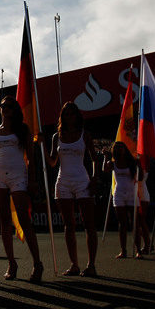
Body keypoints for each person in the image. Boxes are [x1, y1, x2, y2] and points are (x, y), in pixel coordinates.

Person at [0, 96, 43, 283]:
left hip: (19, 176)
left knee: (24, 219)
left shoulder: (23, 129)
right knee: (4, 221)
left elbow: (31, 158)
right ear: (0, 109)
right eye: (4, 106)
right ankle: (11, 263)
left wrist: (32, 180)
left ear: (15, 109)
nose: (6, 109)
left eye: (10, 106)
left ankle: (37, 263)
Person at [44, 101, 98, 277]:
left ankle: (91, 265)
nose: (69, 116)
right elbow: (52, 163)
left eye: (72, 113)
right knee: (69, 225)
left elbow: (94, 158)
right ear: (62, 117)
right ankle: (74, 264)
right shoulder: (56, 136)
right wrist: (42, 147)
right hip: (63, 181)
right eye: (65, 114)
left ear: (77, 115)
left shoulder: (85, 134)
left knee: (89, 224)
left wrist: (95, 177)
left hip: (82, 180)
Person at [103, 141, 150, 259]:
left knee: (135, 223)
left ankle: (138, 250)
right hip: (119, 194)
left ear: (125, 149)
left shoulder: (132, 162)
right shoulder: (113, 163)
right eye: (117, 147)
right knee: (122, 223)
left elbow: (140, 178)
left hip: (131, 194)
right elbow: (104, 170)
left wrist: (139, 165)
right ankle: (123, 250)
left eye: (121, 147)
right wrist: (105, 157)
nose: (119, 149)